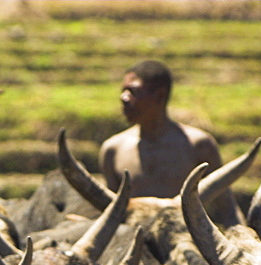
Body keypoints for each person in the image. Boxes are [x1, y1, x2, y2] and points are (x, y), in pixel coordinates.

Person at [100, 60, 241, 225]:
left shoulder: (198, 145)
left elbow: (228, 209)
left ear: (159, 96)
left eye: (133, 91)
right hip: (134, 245)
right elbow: (110, 213)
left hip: (185, 244)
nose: (123, 98)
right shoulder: (113, 149)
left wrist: (247, 242)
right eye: (123, 90)